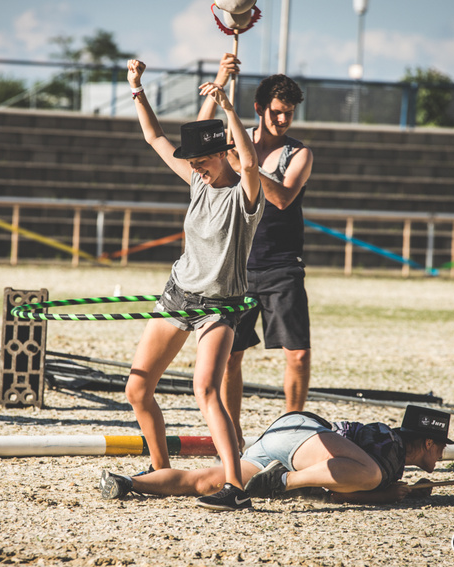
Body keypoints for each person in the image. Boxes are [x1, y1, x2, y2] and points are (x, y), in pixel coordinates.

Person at [122, 59, 264, 511]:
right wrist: (137, 88)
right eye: (194, 163)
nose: (197, 169)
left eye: (203, 161)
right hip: (179, 295)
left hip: (220, 307)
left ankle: (234, 483)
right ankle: (160, 468)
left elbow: (253, 162)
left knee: (206, 389)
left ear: (222, 153)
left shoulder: (245, 194)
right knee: (137, 389)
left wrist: (227, 106)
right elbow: (153, 138)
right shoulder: (198, 185)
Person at [197, 54, 314, 449]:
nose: (283, 120)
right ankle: (234, 437)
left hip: (282, 266)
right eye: (277, 112)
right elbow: (196, 136)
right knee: (231, 358)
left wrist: (245, 164)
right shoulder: (234, 137)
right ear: (259, 109)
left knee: (297, 355)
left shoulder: (298, 154)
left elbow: (281, 198)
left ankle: (291, 435)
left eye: (289, 114)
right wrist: (219, 79)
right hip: (237, 265)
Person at [100, 405, 454, 510]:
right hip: (305, 437)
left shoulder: (386, 441)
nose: (442, 454)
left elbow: (337, 482)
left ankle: (128, 482)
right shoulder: (391, 450)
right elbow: (342, 492)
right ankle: (282, 482)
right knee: (371, 475)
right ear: (426, 443)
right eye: (440, 446)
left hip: (285, 433)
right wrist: (387, 494)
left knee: (205, 480)